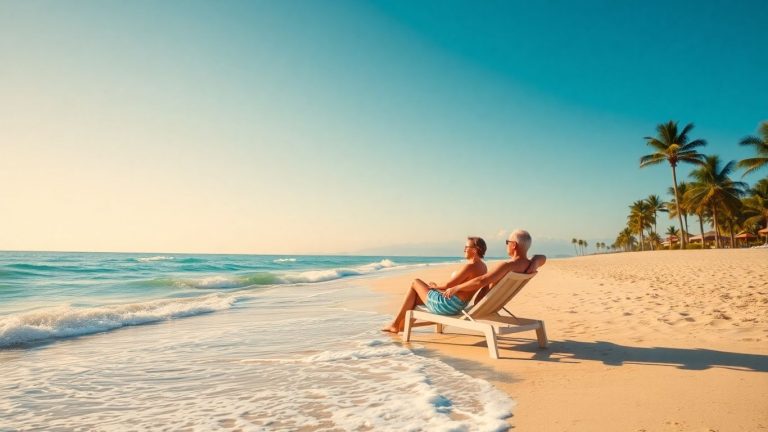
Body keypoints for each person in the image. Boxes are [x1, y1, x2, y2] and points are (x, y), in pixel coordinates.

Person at [381, 237, 488, 333]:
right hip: (458, 305)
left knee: (415, 282)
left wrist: (434, 286)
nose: (464, 249)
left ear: (475, 250)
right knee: (416, 297)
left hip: (447, 305)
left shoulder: (470, 267)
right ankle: (402, 326)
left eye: (466, 247)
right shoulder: (483, 267)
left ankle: (395, 324)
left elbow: (448, 285)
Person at [440, 229, 545, 304]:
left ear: (513, 245)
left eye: (507, 242)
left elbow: (481, 281)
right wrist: (536, 260)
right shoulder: (528, 265)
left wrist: (456, 287)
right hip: (496, 303)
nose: (506, 245)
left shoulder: (507, 266)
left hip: (483, 303)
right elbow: (543, 258)